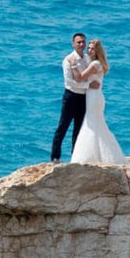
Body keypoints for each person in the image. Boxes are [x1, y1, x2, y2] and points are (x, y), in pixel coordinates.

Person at [69, 39, 128, 165]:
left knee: (92, 124)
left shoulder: (95, 64)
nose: (89, 50)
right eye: (88, 48)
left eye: (92, 49)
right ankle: (99, 154)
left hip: (94, 98)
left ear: (97, 51)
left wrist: (73, 64)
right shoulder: (95, 63)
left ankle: (90, 156)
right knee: (96, 125)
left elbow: (79, 78)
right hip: (94, 96)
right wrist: (89, 84)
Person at [50, 32, 93, 162]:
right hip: (71, 97)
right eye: (79, 42)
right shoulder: (68, 60)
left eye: (83, 42)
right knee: (63, 126)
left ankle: (75, 157)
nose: (81, 44)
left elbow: (90, 76)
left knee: (79, 129)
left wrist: (86, 84)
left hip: (83, 98)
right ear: (73, 44)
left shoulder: (87, 59)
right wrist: (87, 85)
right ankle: (55, 157)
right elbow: (70, 82)